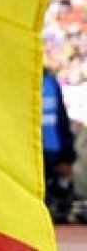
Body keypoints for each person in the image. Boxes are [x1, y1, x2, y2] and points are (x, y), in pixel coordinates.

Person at [45, 67, 77, 222]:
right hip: (32, 151)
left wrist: (67, 155)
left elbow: (61, 118)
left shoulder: (50, 81)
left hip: (53, 150)